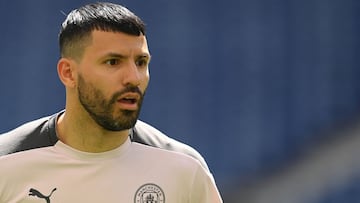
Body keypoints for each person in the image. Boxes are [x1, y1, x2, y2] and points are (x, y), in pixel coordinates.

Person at [0, 2, 222, 202]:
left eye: (141, 62)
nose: (134, 78)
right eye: (113, 62)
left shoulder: (184, 168)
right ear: (68, 73)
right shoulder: (6, 163)